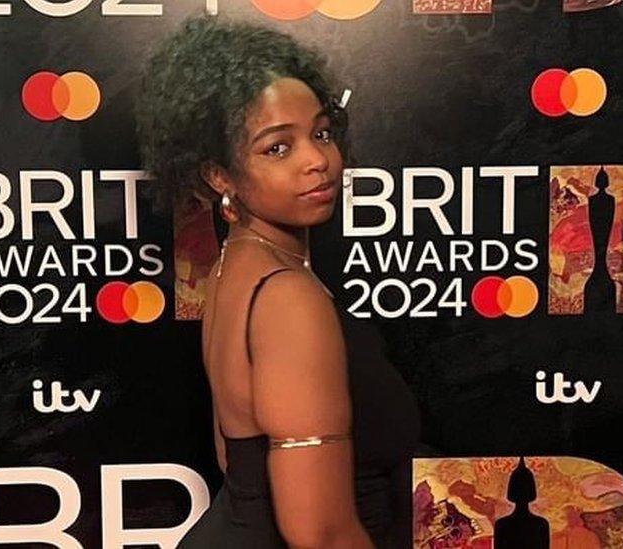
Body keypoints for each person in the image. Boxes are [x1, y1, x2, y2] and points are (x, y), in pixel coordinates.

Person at [136, 15, 420, 548]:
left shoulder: (234, 269)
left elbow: (241, 468)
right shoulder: (287, 297)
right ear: (219, 175)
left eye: (321, 133)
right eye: (277, 148)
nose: (318, 160)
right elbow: (321, 534)